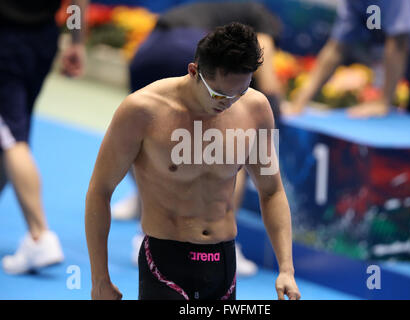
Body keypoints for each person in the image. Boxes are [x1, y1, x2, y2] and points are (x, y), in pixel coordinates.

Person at [85, 22, 300, 300]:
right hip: (165, 261)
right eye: (220, 95)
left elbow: (271, 191)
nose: (229, 103)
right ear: (194, 71)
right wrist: (99, 278)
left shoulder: (256, 110)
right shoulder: (142, 111)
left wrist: (286, 268)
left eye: (240, 92)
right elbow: (100, 191)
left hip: (223, 261)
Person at [113, 1, 285, 276]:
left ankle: (143, 207)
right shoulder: (259, 19)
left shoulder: (209, 9)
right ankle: (224, 241)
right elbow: (268, 73)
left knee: (151, 133)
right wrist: (277, 105)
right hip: (185, 47)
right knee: (226, 145)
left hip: (147, 51)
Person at [0, 0, 87, 274]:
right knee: (10, 133)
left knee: (12, 138)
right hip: (42, 41)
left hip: (6, 38)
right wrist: (76, 41)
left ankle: (39, 236)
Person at [285, 0, 410, 122]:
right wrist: (300, 102)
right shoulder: (354, 4)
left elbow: (399, 42)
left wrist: (383, 102)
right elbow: (335, 49)